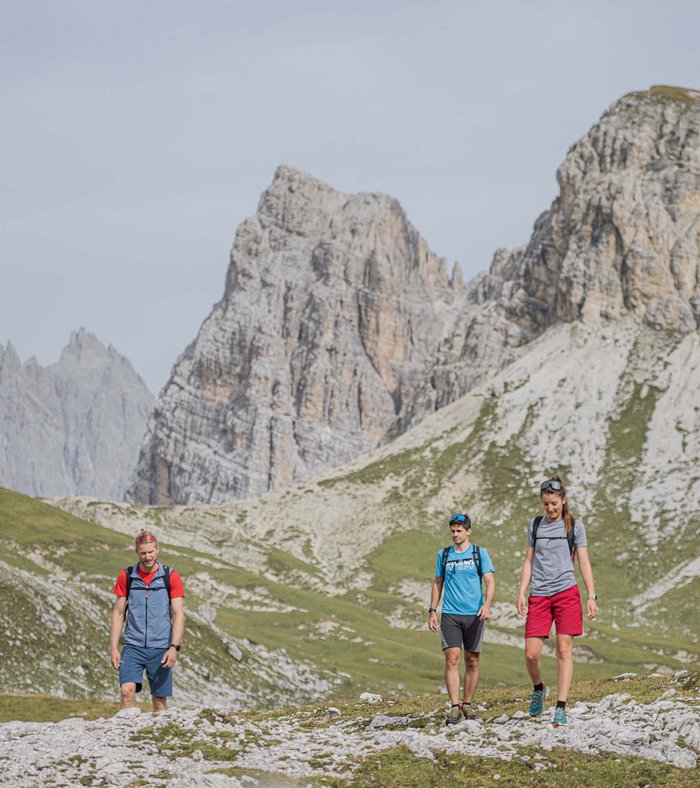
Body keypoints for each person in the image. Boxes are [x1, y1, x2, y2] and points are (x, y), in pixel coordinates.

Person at [516, 476, 597, 726]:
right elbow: (529, 560)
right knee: (531, 654)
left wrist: (591, 596)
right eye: (546, 504)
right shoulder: (535, 525)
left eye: (554, 503)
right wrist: (522, 592)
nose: (550, 508)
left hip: (566, 593)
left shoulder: (574, 526)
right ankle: (539, 688)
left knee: (564, 650)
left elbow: (584, 563)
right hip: (539, 594)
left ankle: (561, 707)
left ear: (563, 500)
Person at [428, 513, 496, 724]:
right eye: (453, 531)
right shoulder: (444, 554)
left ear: (468, 531)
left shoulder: (479, 553)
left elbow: (490, 581)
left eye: (459, 531)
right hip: (450, 614)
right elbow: (437, 583)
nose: (455, 534)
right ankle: (454, 706)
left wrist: (487, 605)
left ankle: (467, 704)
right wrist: (432, 610)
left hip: (475, 614)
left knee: (472, 660)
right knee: (452, 658)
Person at [110, 529, 185, 712]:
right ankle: (126, 729)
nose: (147, 556)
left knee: (159, 701)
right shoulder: (126, 576)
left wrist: (174, 648)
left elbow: (178, 614)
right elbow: (118, 613)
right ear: (137, 552)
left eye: (151, 552)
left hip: (161, 647)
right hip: (133, 646)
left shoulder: (170, 576)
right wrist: (113, 648)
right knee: (126, 691)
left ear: (157, 549)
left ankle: (158, 731)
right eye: (143, 553)